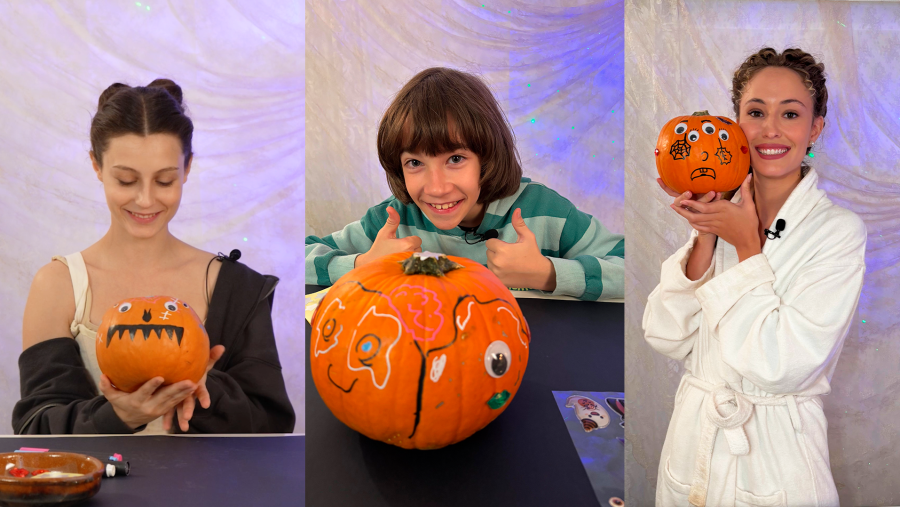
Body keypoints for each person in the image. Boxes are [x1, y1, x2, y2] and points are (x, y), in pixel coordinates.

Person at [643, 48, 866, 506]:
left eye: (790, 114)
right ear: (735, 126)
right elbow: (665, 335)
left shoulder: (838, 232)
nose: (771, 129)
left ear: (815, 128)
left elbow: (780, 366)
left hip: (777, 457)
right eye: (756, 112)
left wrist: (747, 246)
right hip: (693, 449)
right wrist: (705, 234)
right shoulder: (721, 210)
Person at [14, 79, 295, 435]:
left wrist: (205, 388)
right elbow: (34, 428)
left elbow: (272, 425)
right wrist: (117, 416)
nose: (145, 200)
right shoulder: (57, 285)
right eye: (127, 180)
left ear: (187, 169)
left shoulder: (238, 287)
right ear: (96, 166)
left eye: (164, 181)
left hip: (211, 490)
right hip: (95, 492)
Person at [306, 67, 624, 301]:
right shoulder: (392, 221)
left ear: (486, 156)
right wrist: (363, 263)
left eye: (455, 159)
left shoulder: (544, 212)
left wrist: (547, 273)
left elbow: (633, 270)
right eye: (415, 163)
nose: (437, 187)